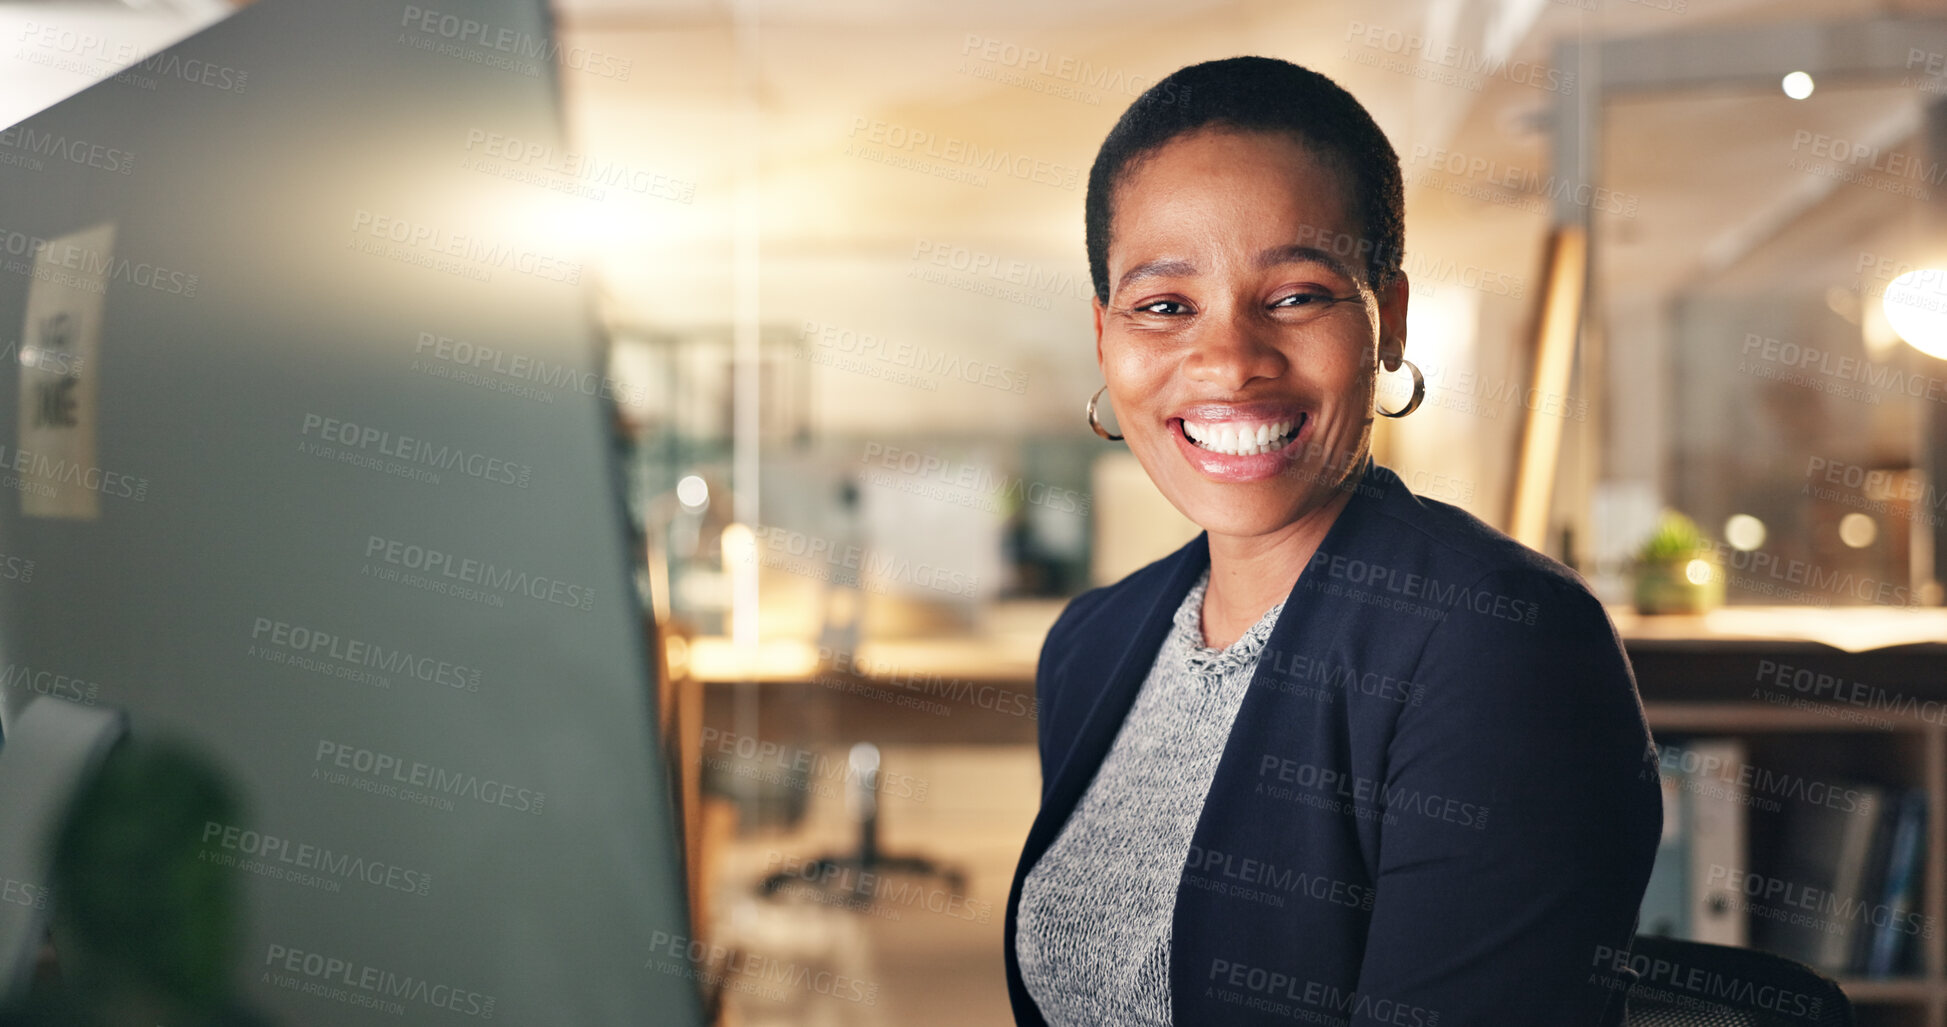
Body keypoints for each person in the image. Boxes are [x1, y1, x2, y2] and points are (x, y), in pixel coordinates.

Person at [1005, 56, 1661, 1026]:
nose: (1228, 360)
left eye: (1298, 294)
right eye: (1165, 306)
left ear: (1386, 319)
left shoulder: (1502, 640)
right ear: (1107, 336)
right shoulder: (1094, 640)